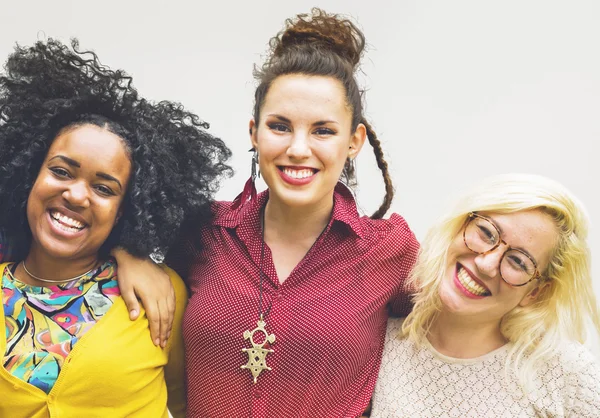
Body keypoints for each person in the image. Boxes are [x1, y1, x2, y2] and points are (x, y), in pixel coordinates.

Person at [117, 8, 419, 417]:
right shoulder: (202, 231)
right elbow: (83, 235)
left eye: (323, 130)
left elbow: (466, 323)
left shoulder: (391, 252)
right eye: (280, 126)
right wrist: (124, 254)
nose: (298, 148)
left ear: (354, 141)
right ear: (253, 132)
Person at [0, 39, 231, 417]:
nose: (76, 195)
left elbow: (189, 405)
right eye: (61, 171)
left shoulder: (159, 295)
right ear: (30, 174)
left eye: (104, 188)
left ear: (126, 210)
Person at [371, 174, 600, 417]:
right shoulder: (377, 342)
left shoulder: (565, 374)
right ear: (460, 227)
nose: (486, 264)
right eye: (486, 233)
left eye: (518, 262)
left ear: (534, 292)